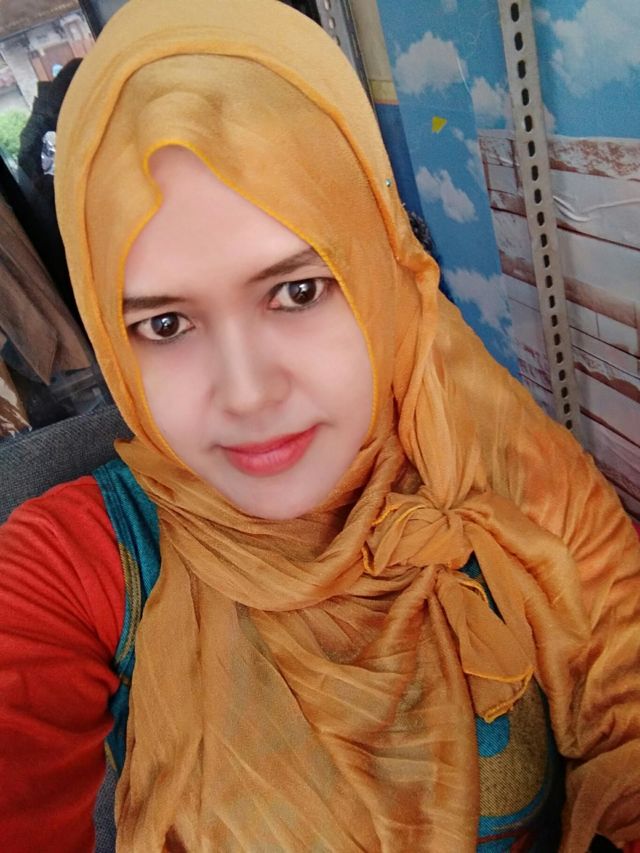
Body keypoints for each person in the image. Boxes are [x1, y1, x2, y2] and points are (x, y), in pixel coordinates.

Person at [1, 0, 639, 850]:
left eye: (298, 290)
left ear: (377, 266)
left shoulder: (496, 455)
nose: (247, 391)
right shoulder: (73, 565)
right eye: (165, 323)